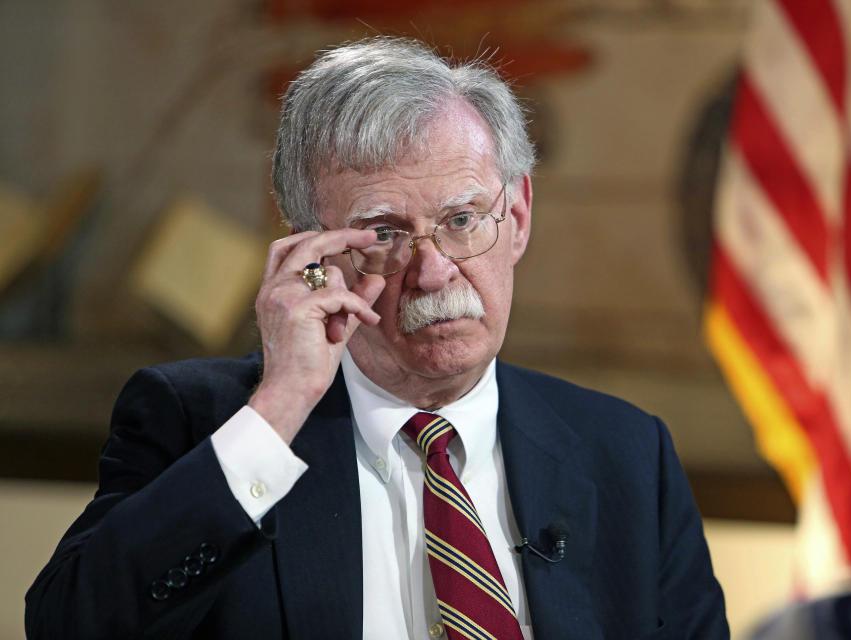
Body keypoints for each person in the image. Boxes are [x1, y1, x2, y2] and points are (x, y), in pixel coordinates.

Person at [25, 37, 728, 639]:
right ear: (312, 254)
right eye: (384, 235)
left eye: (462, 219)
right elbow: (69, 625)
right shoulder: (200, 422)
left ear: (517, 216)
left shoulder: (628, 456)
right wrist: (282, 404)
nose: (432, 271)